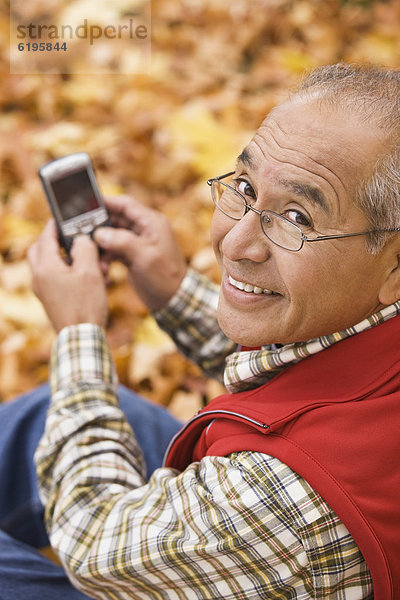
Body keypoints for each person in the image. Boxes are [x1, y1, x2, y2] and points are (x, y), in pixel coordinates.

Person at [2, 62, 400, 599]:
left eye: (298, 217)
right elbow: (309, 379)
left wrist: (78, 331)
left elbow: (94, 544)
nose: (236, 243)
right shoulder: (373, 317)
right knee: (50, 414)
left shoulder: (284, 502)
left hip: (243, 535)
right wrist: (170, 288)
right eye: (245, 186)